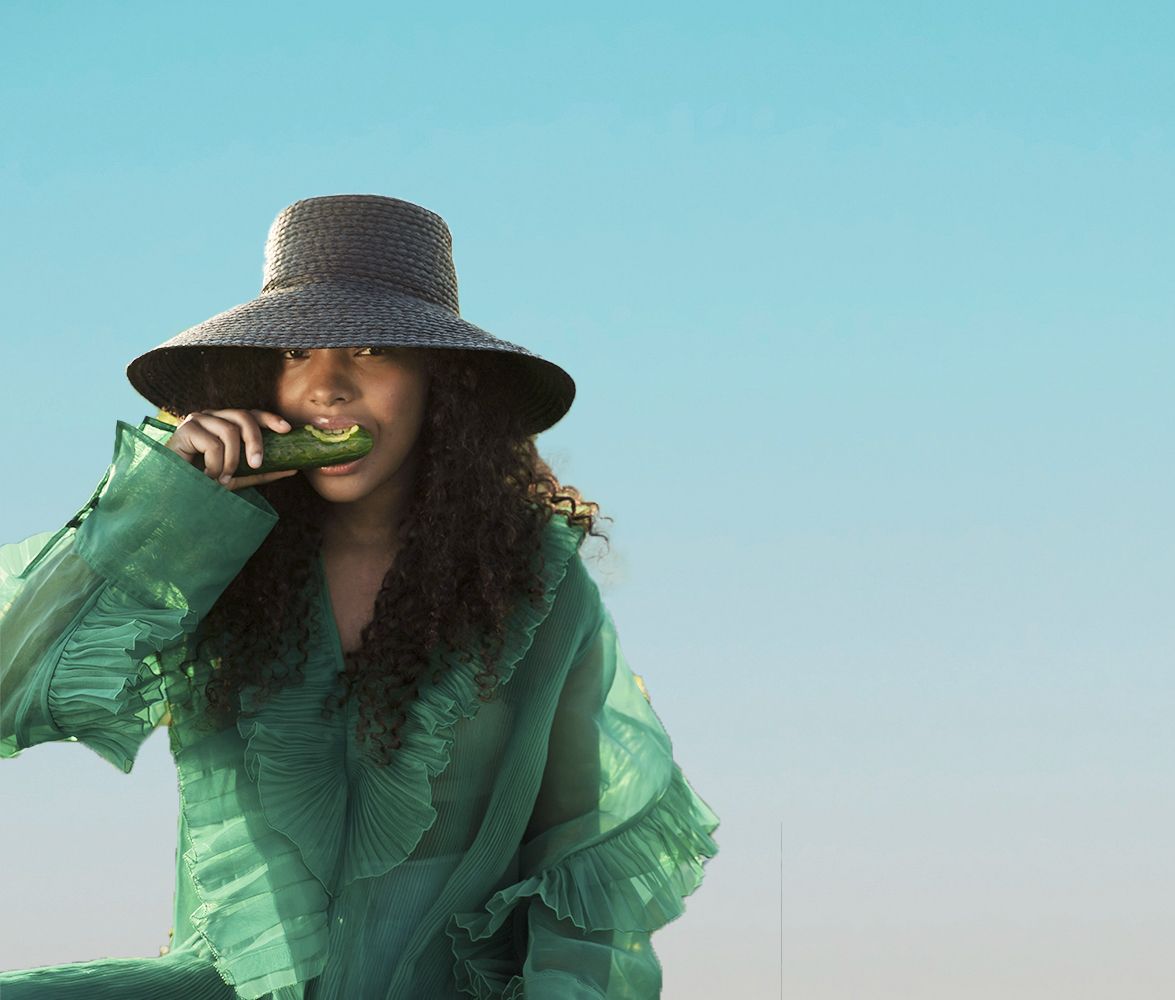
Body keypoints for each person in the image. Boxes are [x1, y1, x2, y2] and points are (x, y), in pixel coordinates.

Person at [0, 194, 720, 999]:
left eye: (371, 349)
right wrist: (161, 506)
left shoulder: (536, 587)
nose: (328, 389)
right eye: (296, 351)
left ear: (440, 382)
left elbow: (578, 869)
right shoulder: (198, 552)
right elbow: (8, 690)